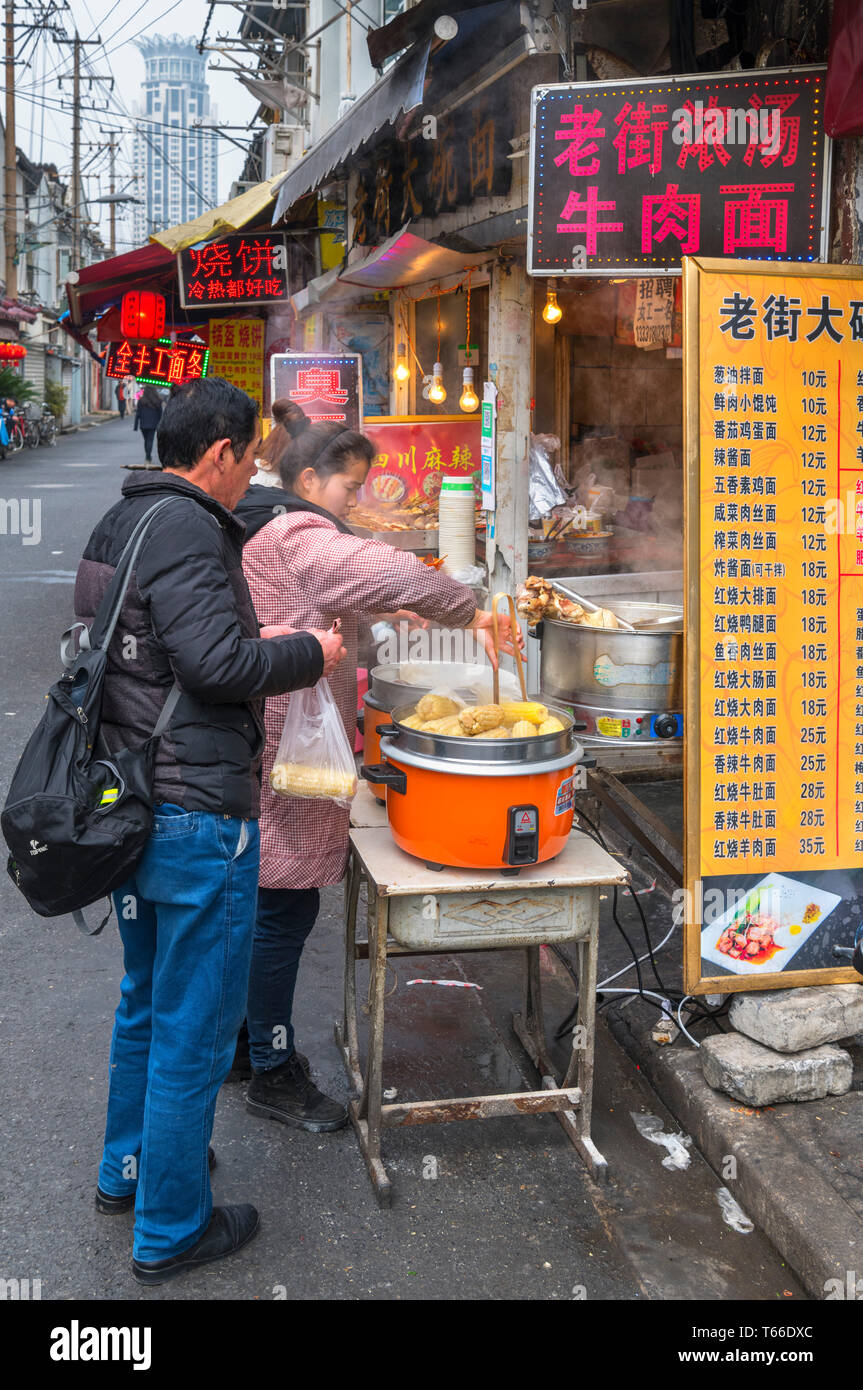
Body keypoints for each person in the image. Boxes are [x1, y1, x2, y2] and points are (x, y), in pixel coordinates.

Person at [72, 376, 347, 1285]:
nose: (253, 477)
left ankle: (131, 1170)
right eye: (250, 459)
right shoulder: (189, 525)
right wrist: (314, 651)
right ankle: (171, 1229)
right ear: (222, 452)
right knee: (194, 1024)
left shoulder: (125, 520)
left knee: (147, 1004)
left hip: (134, 804)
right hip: (192, 812)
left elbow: (145, 656)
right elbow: (217, 662)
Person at [235, 402, 522, 1132]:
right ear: (308, 477)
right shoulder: (295, 528)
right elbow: (387, 566)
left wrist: (396, 616)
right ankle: (269, 1068)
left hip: (258, 741)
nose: (353, 503)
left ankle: (243, 1045)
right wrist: (468, 610)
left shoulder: (262, 520)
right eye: (347, 488)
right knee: (282, 904)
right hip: (281, 750)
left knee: (260, 902)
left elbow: (332, 604)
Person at [133, 384, 162, 463]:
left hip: (143, 424)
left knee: (146, 440)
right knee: (150, 440)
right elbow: (160, 414)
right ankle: (148, 456)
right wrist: (161, 425)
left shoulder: (141, 401)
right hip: (153, 424)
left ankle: (148, 455)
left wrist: (135, 426)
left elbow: (138, 414)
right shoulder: (157, 401)